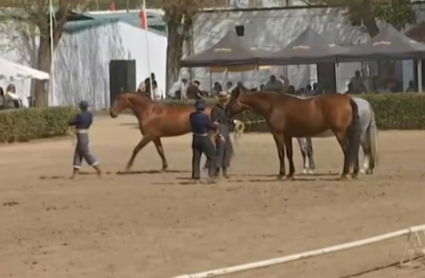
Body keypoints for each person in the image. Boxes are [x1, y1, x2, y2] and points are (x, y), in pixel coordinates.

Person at [68, 100, 102, 179]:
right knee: (78, 154)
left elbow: (71, 122)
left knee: (86, 153)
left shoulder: (79, 115)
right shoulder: (90, 115)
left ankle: (99, 170)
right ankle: (75, 173)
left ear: (80, 107)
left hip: (81, 135)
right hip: (85, 134)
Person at [189, 99, 219, 183]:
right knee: (212, 156)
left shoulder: (192, 116)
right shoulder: (204, 117)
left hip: (195, 138)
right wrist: (215, 125)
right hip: (204, 138)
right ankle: (211, 175)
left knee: (196, 158)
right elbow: (211, 126)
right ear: (204, 108)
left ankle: (196, 176)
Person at [210, 91, 234, 178]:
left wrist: (233, 122)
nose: (226, 101)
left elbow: (226, 119)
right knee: (220, 151)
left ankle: (224, 169)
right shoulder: (216, 109)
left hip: (226, 130)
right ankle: (216, 170)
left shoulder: (225, 109)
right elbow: (214, 122)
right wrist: (219, 134)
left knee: (228, 150)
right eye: (225, 99)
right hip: (220, 130)